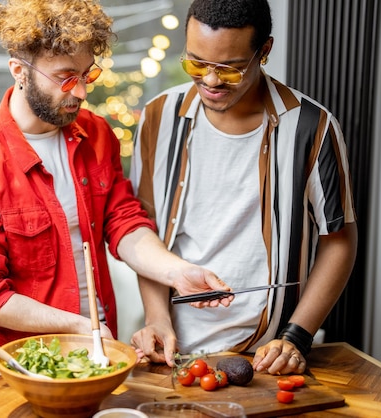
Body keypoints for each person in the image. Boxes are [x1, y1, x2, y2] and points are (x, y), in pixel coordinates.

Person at [0, 0, 232, 372]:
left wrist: (176, 272)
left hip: (101, 356)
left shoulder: (97, 134)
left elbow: (124, 223)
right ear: (19, 71)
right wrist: (79, 326)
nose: (81, 93)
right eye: (65, 77)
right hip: (26, 369)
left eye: (87, 75)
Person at [129, 0, 358, 375]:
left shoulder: (312, 128)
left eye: (230, 70)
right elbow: (146, 232)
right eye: (196, 63)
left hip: (268, 355)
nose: (211, 81)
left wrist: (296, 336)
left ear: (263, 51)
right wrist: (157, 319)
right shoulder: (158, 117)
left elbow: (339, 238)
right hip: (172, 350)